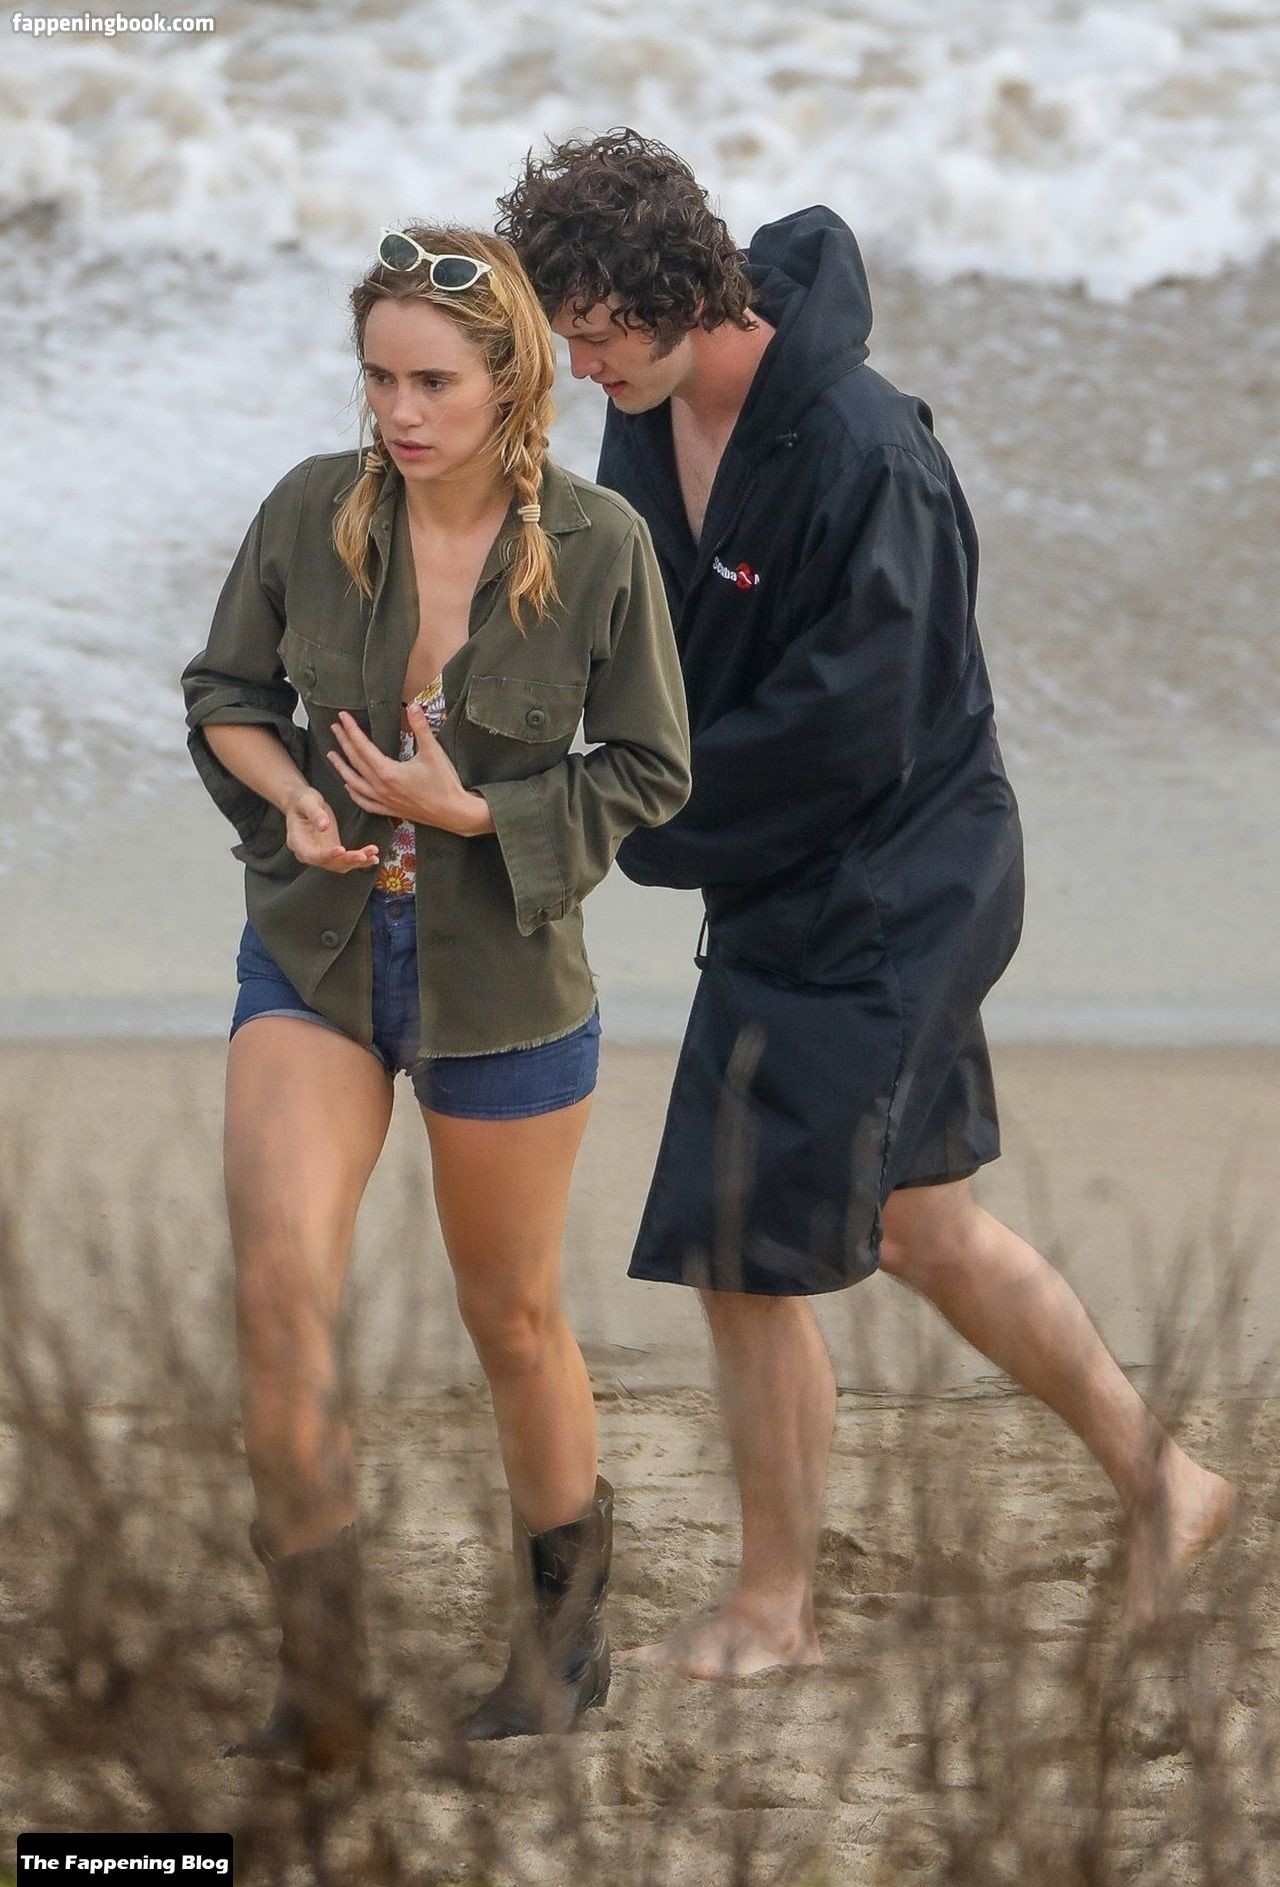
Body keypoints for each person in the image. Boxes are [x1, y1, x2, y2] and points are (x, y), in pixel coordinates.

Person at [496, 130, 1235, 1676]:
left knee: (738, 1243)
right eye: (567, 333)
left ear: (684, 292)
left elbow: (858, 725)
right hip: (790, 874)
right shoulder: (646, 414)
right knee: (927, 1229)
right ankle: (1173, 1484)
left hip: (900, 880)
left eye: (602, 330)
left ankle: (774, 1607)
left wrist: (627, 812)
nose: (582, 364)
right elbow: (636, 630)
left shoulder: (865, 451)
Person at [181, 222, 691, 1765]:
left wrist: (477, 811)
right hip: (318, 954)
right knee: (279, 1295)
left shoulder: (600, 545)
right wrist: (296, 804)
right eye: (379, 378)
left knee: (513, 1320)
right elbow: (227, 698)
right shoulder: (310, 510)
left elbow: (652, 770)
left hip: (504, 977)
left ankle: (563, 1645)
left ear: (510, 382)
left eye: (433, 383)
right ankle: (321, 1676)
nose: (400, 413)